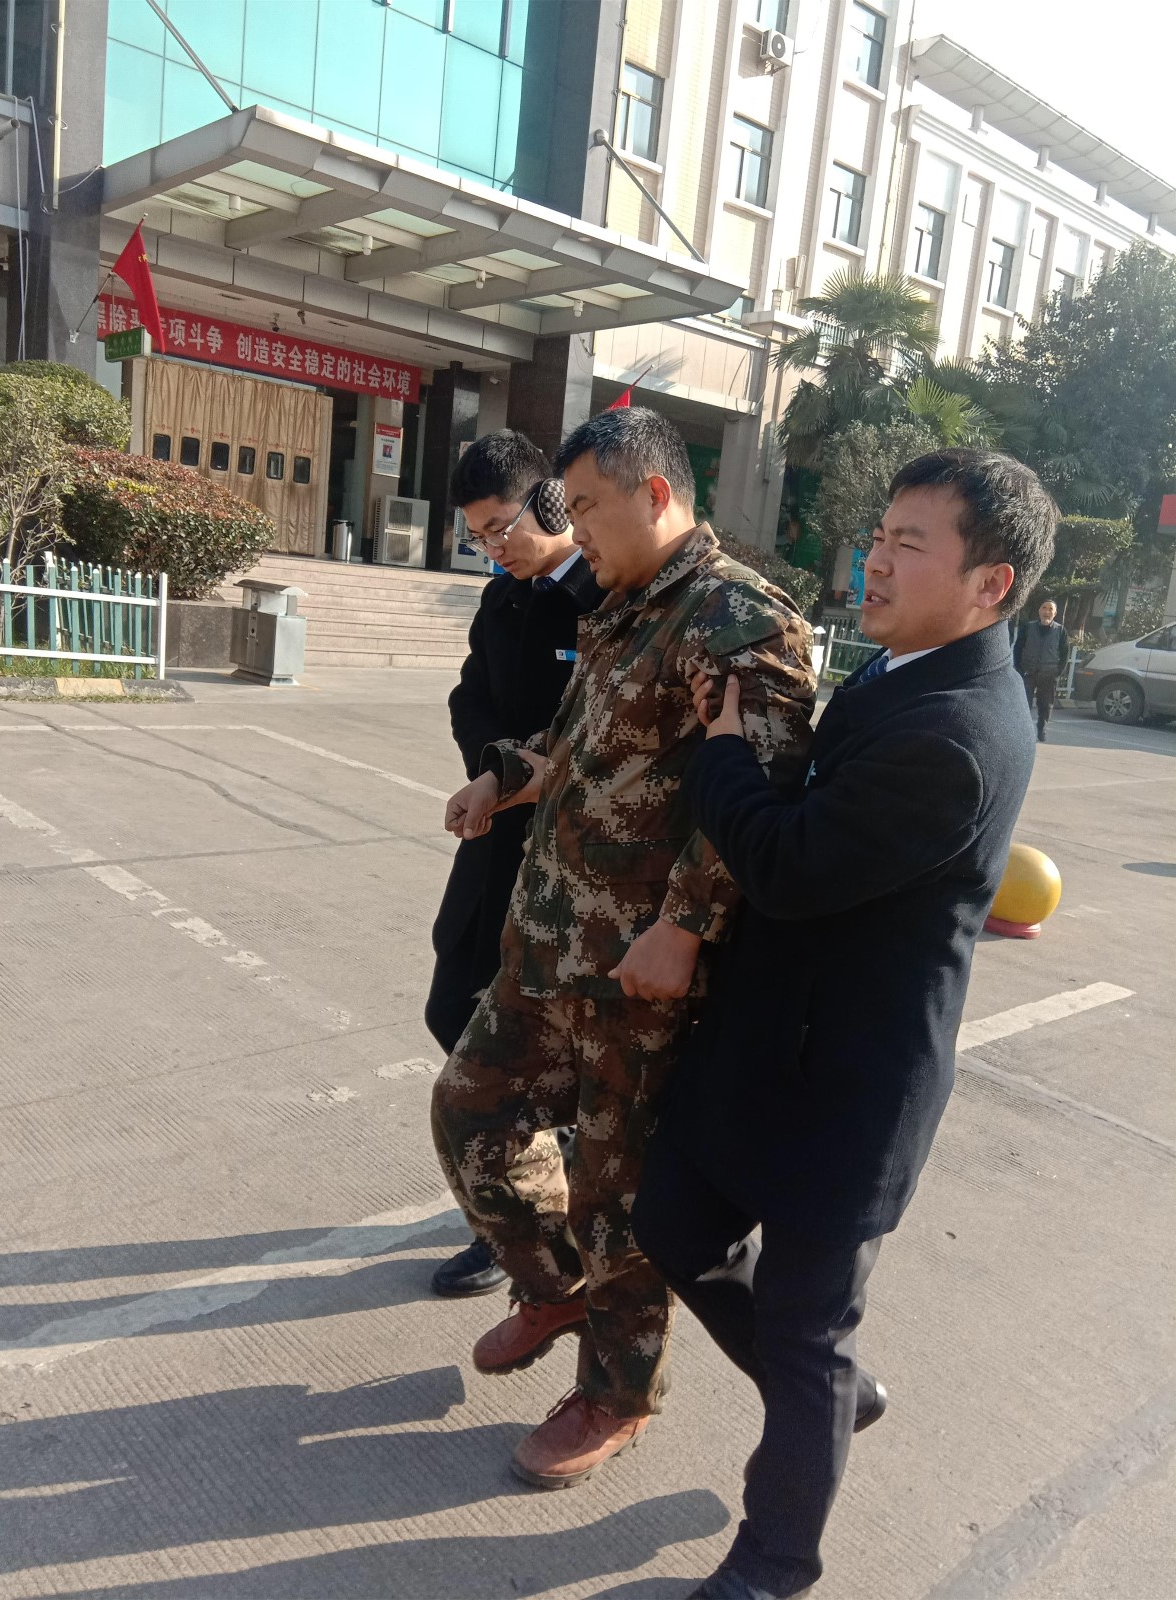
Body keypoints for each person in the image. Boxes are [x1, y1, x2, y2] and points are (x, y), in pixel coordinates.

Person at [632, 449, 1057, 1600]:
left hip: (850, 1090)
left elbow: (785, 864)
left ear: (989, 584)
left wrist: (722, 756)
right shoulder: (897, 669)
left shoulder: (954, 733)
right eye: (879, 533)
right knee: (672, 1222)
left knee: (805, 1327)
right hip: (768, 1047)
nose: (874, 557)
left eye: (909, 543)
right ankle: (828, 1394)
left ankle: (774, 1562)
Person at [431, 407, 817, 1489]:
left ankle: (617, 1390)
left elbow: (758, 800)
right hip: (547, 943)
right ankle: (553, 1288)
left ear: (654, 494)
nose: (575, 528)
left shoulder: (737, 620)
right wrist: (499, 777)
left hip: (635, 977)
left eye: (588, 507)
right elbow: (571, 744)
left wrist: (683, 928)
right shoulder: (621, 607)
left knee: (615, 1193)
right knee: (469, 1110)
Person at [426, 430, 602, 1299]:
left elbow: (596, 730)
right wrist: (490, 773)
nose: (493, 548)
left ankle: (516, 1225)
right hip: (495, 839)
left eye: (501, 528)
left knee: (520, 1048)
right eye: (477, 537)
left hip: (568, 857)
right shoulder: (501, 601)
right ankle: (526, 1178)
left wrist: (512, 775)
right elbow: (470, 696)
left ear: (552, 501)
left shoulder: (601, 600)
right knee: (450, 1003)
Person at [1014, 597, 1070, 741]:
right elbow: (1018, 647)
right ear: (1039, 611)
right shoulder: (1028, 627)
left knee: (1045, 705)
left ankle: (1041, 729)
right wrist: (1019, 668)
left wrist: (1058, 672)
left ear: (1055, 613)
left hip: (1048, 674)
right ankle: (1023, 731)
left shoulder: (1060, 631)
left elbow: (1065, 654)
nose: (1047, 611)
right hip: (1028, 672)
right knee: (1024, 703)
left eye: (1050, 609)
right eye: (1044, 608)